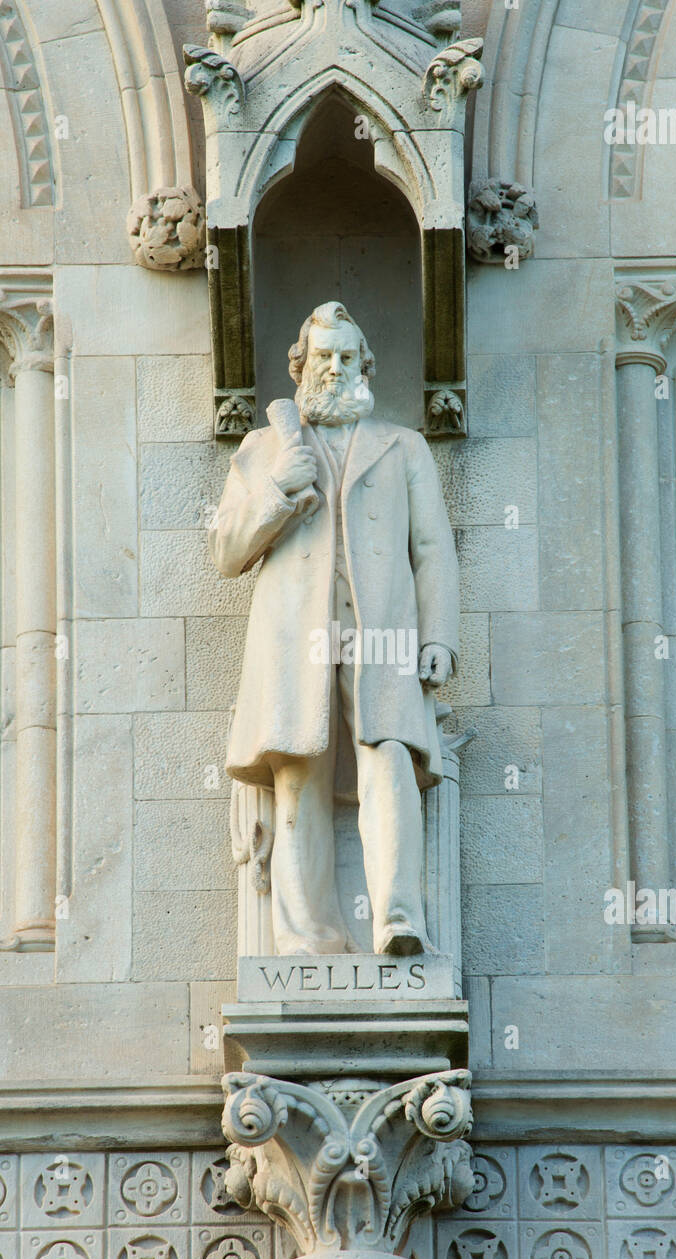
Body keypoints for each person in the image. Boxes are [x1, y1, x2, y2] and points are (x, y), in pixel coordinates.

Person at [209, 301, 459, 955]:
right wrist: (277, 495)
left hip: (384, 636)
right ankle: (305, 938)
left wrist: (437, 638)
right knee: (297, 770)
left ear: (366, 365)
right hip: (294, 637)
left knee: (391, 760)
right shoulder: (266, 448)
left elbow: (432, 548)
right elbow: (227, 551)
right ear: (300, 366)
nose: (336, 368)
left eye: (348, 357)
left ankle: (398, 921)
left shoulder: (403, 446)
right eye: (324, 357)